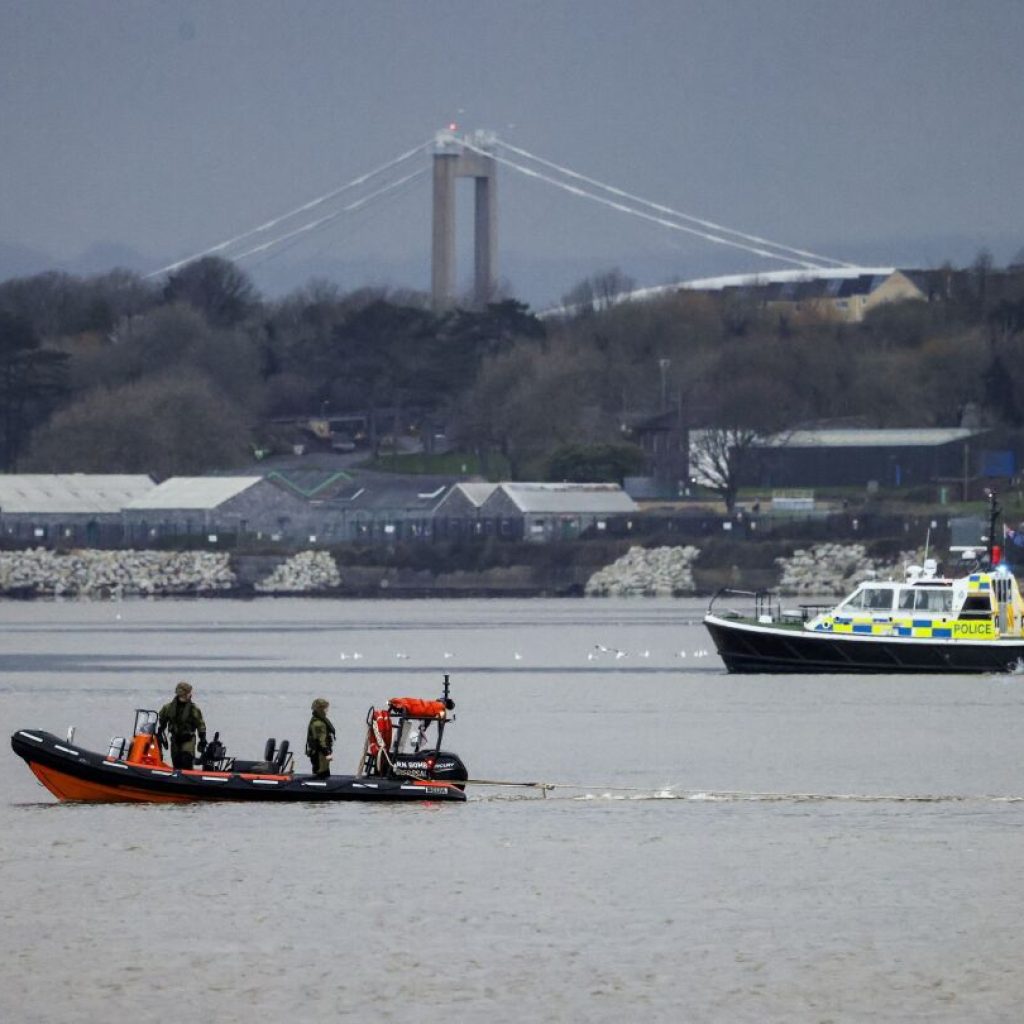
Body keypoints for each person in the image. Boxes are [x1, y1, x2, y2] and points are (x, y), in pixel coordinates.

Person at [157, 681, 207, 770]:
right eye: (188, 692)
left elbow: (200, 725)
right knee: (177, 763)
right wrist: (159, 734)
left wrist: (202, 739)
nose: (190, 695)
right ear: (183, 693)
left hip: (188, 739)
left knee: (186, 761)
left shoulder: (193, 709)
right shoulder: (168, 708)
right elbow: (162, 722)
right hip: (175, 740)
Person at [306, 698, 336, 778]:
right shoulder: (319, 724)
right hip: (320, 754)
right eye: (325, 708)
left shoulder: (318, 720)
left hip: (319, 753)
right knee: (322, 772)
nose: (327, 710)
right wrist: (327, 753)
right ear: (320, 709)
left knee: (322, 771)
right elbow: (321, 741)